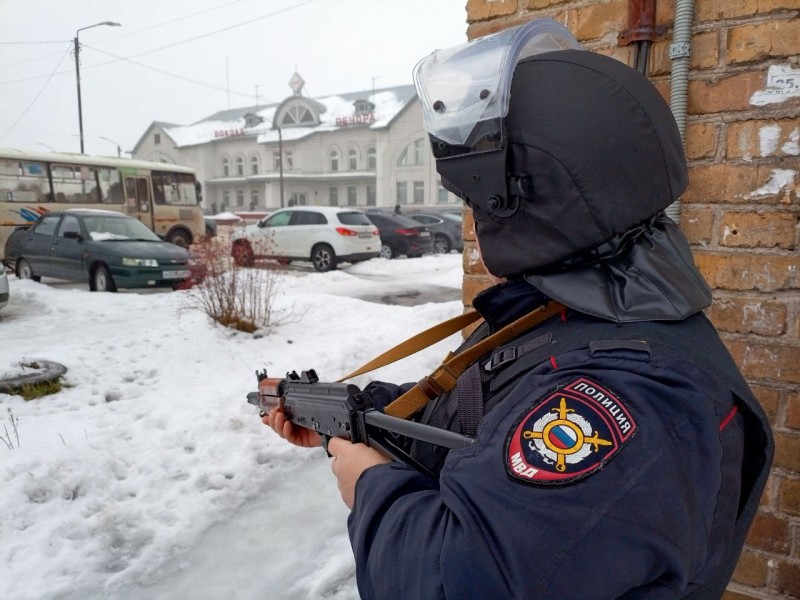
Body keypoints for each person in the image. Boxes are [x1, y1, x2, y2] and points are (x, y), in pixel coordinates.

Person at [265, 18, 773, 600]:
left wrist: (369, 483)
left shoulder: (631, 393)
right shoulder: (574, 310)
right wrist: (354, 414)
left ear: (519, 207)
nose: (475, 222)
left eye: (477, 204)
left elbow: (456, 583)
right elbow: (482, 416)